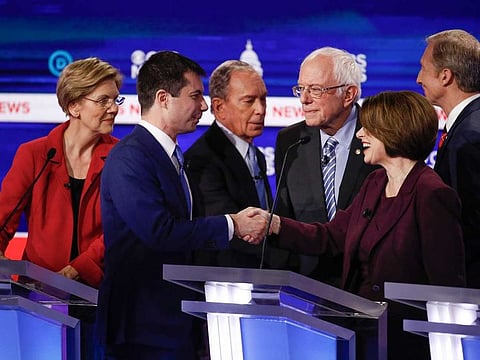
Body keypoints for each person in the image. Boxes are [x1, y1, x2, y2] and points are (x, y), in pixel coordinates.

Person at [248, 91, 466, 360]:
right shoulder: (375, 183)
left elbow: (446, 287)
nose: (360, 134)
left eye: (369, 129)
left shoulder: (431, 193)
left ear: (393, 130)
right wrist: (275, 225)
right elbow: (332, 236)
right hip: (359, 332)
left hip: (406, 343)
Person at [96, 51, 267, 360]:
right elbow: (159, 232)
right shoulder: (130, 158)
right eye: (195, 96)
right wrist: (233, 224)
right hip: (140, 329)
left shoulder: (175, 157)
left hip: (177, 323)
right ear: (163, 98)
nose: (203, 106)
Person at [0, 57, 124, 359]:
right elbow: (2, 218)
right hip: (37, 298)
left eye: (115, 98)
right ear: (73, 106)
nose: (115, 107)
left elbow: (121, 229)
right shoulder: (35, 154)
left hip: (99, 298)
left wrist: (73, 272)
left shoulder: (122, 157)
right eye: (103, 100)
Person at [274, 47, 377, 284]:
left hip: (365, 288)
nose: (304, 99)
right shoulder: (289, 141)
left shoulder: (382, 136)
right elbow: (285, 215)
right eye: (301, 88)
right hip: (308, 287)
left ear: (348, 94)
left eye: (316, 90)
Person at [185, 59, 290, 269]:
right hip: (226, 282)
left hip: (259, 279)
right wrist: (291, 262)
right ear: (219, 107)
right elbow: (229, 233)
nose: (260, 110)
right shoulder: (202, 159)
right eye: (249, 101)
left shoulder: (255, 155)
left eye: (263, 99)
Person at [416, 29, 480, 288]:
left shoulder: (470, 136)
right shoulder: (466, 125)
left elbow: (469, 223)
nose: (418, 78)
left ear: (445, 76)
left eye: (423, 68)